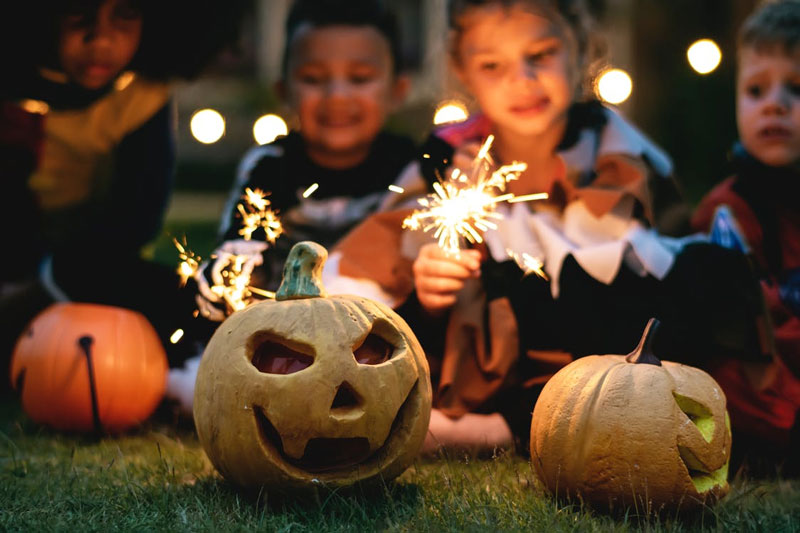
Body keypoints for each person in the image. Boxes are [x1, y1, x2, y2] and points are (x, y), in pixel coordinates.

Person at [329, 0, 770, 454]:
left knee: (699, 276)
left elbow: (664, 243)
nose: (522, 80)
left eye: (540, 56)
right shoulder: (443, 165)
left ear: (579, 50)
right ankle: (496, 421)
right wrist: (429, 288)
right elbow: (388, 263)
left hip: (600, 334)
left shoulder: (622, 153)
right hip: (491, 345)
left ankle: (514, 427)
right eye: (492, 65)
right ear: (464, 72)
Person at [0, 0, 247, 394]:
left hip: (90, 269)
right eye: (78, 12)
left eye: (126, 14)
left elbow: (135, 221)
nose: (101, 38)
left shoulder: (141, 97)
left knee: (184, 298)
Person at [193, 0, 414, 321]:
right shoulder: (270, 166)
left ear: (398, 90)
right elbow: (237, 252)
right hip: (282, 332)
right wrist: (227, 277)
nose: (337, 95)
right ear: (284, 91)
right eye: (313, 78)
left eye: (360, 78)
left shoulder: (411, 168)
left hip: (380, 332)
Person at [692, 0, 800, 476]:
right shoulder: (728, 211)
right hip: (769, 388)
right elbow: (748, 333)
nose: (775, 103)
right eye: (756, 90)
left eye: (796, 89)